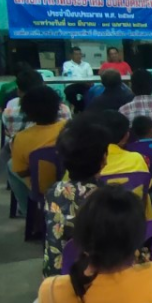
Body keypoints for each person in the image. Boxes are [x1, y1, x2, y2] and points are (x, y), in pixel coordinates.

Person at [43, 115, 111, 277]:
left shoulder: (54, 192)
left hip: (57, 276)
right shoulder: (111, 197)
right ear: (104, 159)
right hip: (100, 277)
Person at [8, 85, 68, 213]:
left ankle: (27, 211)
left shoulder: (20, 138)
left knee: (10, 165)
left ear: (26, 112)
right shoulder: (70, 128)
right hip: (72, 183)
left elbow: (22, 172)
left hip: (44, 190)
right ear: (58, 106)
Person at [95, 111, 152, 216]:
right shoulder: (137, 158)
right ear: (126, 136)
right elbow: (147, 185)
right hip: (138, 225)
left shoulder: (85, 162)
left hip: (98, 226)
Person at [3, 69, 72, 136]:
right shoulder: (64, 110)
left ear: (19, 92)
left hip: (22, 146)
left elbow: (9, 135)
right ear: (44, 86)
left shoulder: (8, 114)